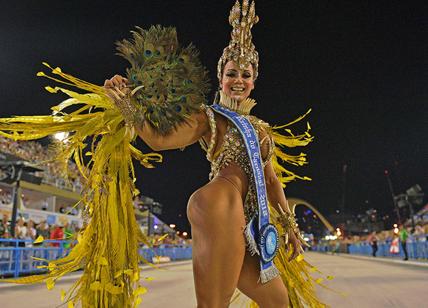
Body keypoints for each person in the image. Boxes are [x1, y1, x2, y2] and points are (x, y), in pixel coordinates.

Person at [0, 1, 328, 306]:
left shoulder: (262, 130)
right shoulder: (209, 116)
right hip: (219, 203)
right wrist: (128, 105)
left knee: (279, 301)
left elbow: (271, 181)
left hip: (245, 223)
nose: (238, 80)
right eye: (231, 74)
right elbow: (159, 140)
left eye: (245, 75)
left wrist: (290, 225)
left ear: (255, 80)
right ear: (221, 78)